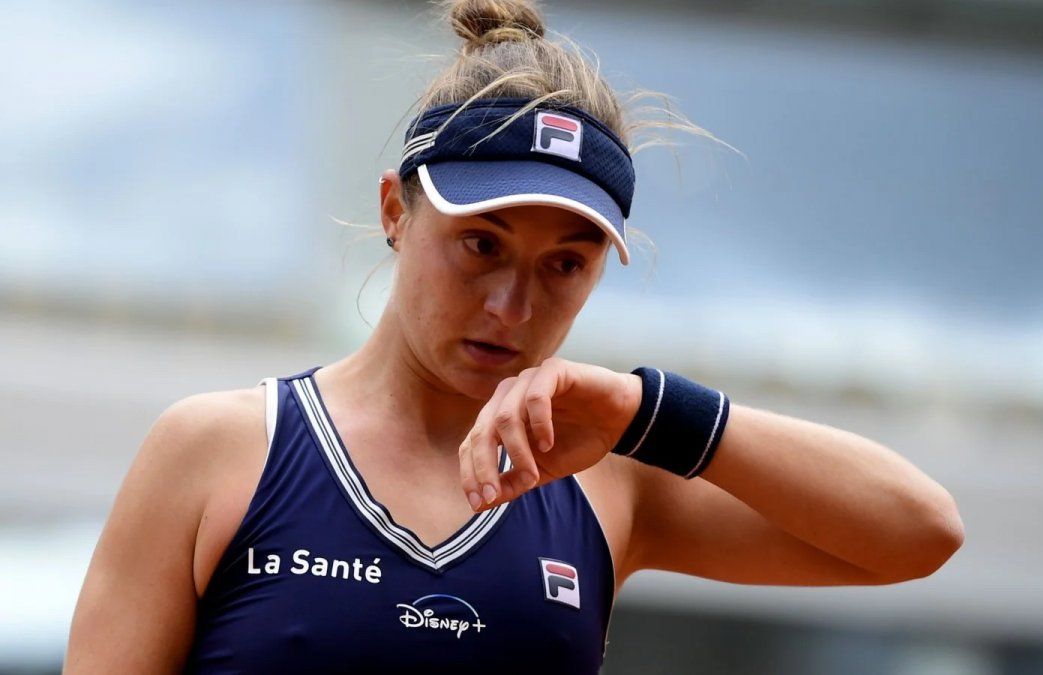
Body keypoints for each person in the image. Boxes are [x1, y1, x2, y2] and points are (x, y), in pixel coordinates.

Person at [64, 0, 964, 672]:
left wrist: (646, 406)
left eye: (564, 265)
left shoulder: (610, 478)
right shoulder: (220, 449)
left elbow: (918, 532)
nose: (510, 304)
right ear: (394, 211)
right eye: (480, 244)